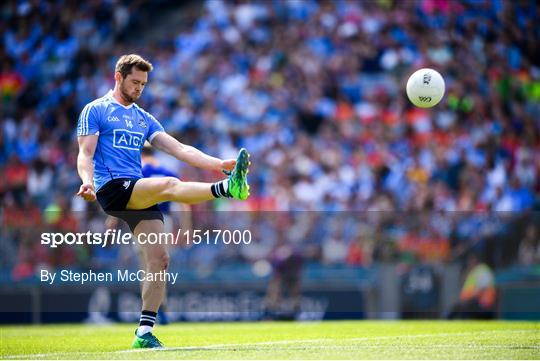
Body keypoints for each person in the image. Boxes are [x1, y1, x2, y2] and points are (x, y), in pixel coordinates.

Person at [76, 54, 250, 348]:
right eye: (134, 82)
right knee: (170, 185)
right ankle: (226, 189)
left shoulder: (143, 118)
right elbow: (85, 153)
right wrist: (87, 181)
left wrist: (221, 162)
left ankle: (143, 333)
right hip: (112, 188)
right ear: (118, 77)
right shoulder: (96, 110)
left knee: (160, 260)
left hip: (136, 192)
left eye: (143, 84)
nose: (139, 88)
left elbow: (180, 149)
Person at [448, 252, 496, 319]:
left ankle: (447, 323)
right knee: (457, 307)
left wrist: (468, 300)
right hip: (473, 303)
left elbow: (483, 289)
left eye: (470, 260)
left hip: (482, 303)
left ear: (475, 260)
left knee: (458, 307)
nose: (469, 262)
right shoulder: (475, 271)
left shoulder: (482, 270)